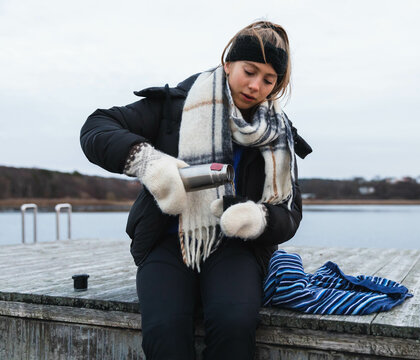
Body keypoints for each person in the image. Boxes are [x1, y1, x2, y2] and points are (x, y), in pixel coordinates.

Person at [80, 21, 311, 360]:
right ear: (228, 63)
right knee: (164, 332)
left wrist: (258, 218)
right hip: (165, 240)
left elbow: (289, 215)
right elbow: (96, 128)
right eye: (249, 71)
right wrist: (148, 163)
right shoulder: (174, 105)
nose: (255, 85)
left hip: (237, 248)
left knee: (234, 324)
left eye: (268, 79)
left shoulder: (279, 135)